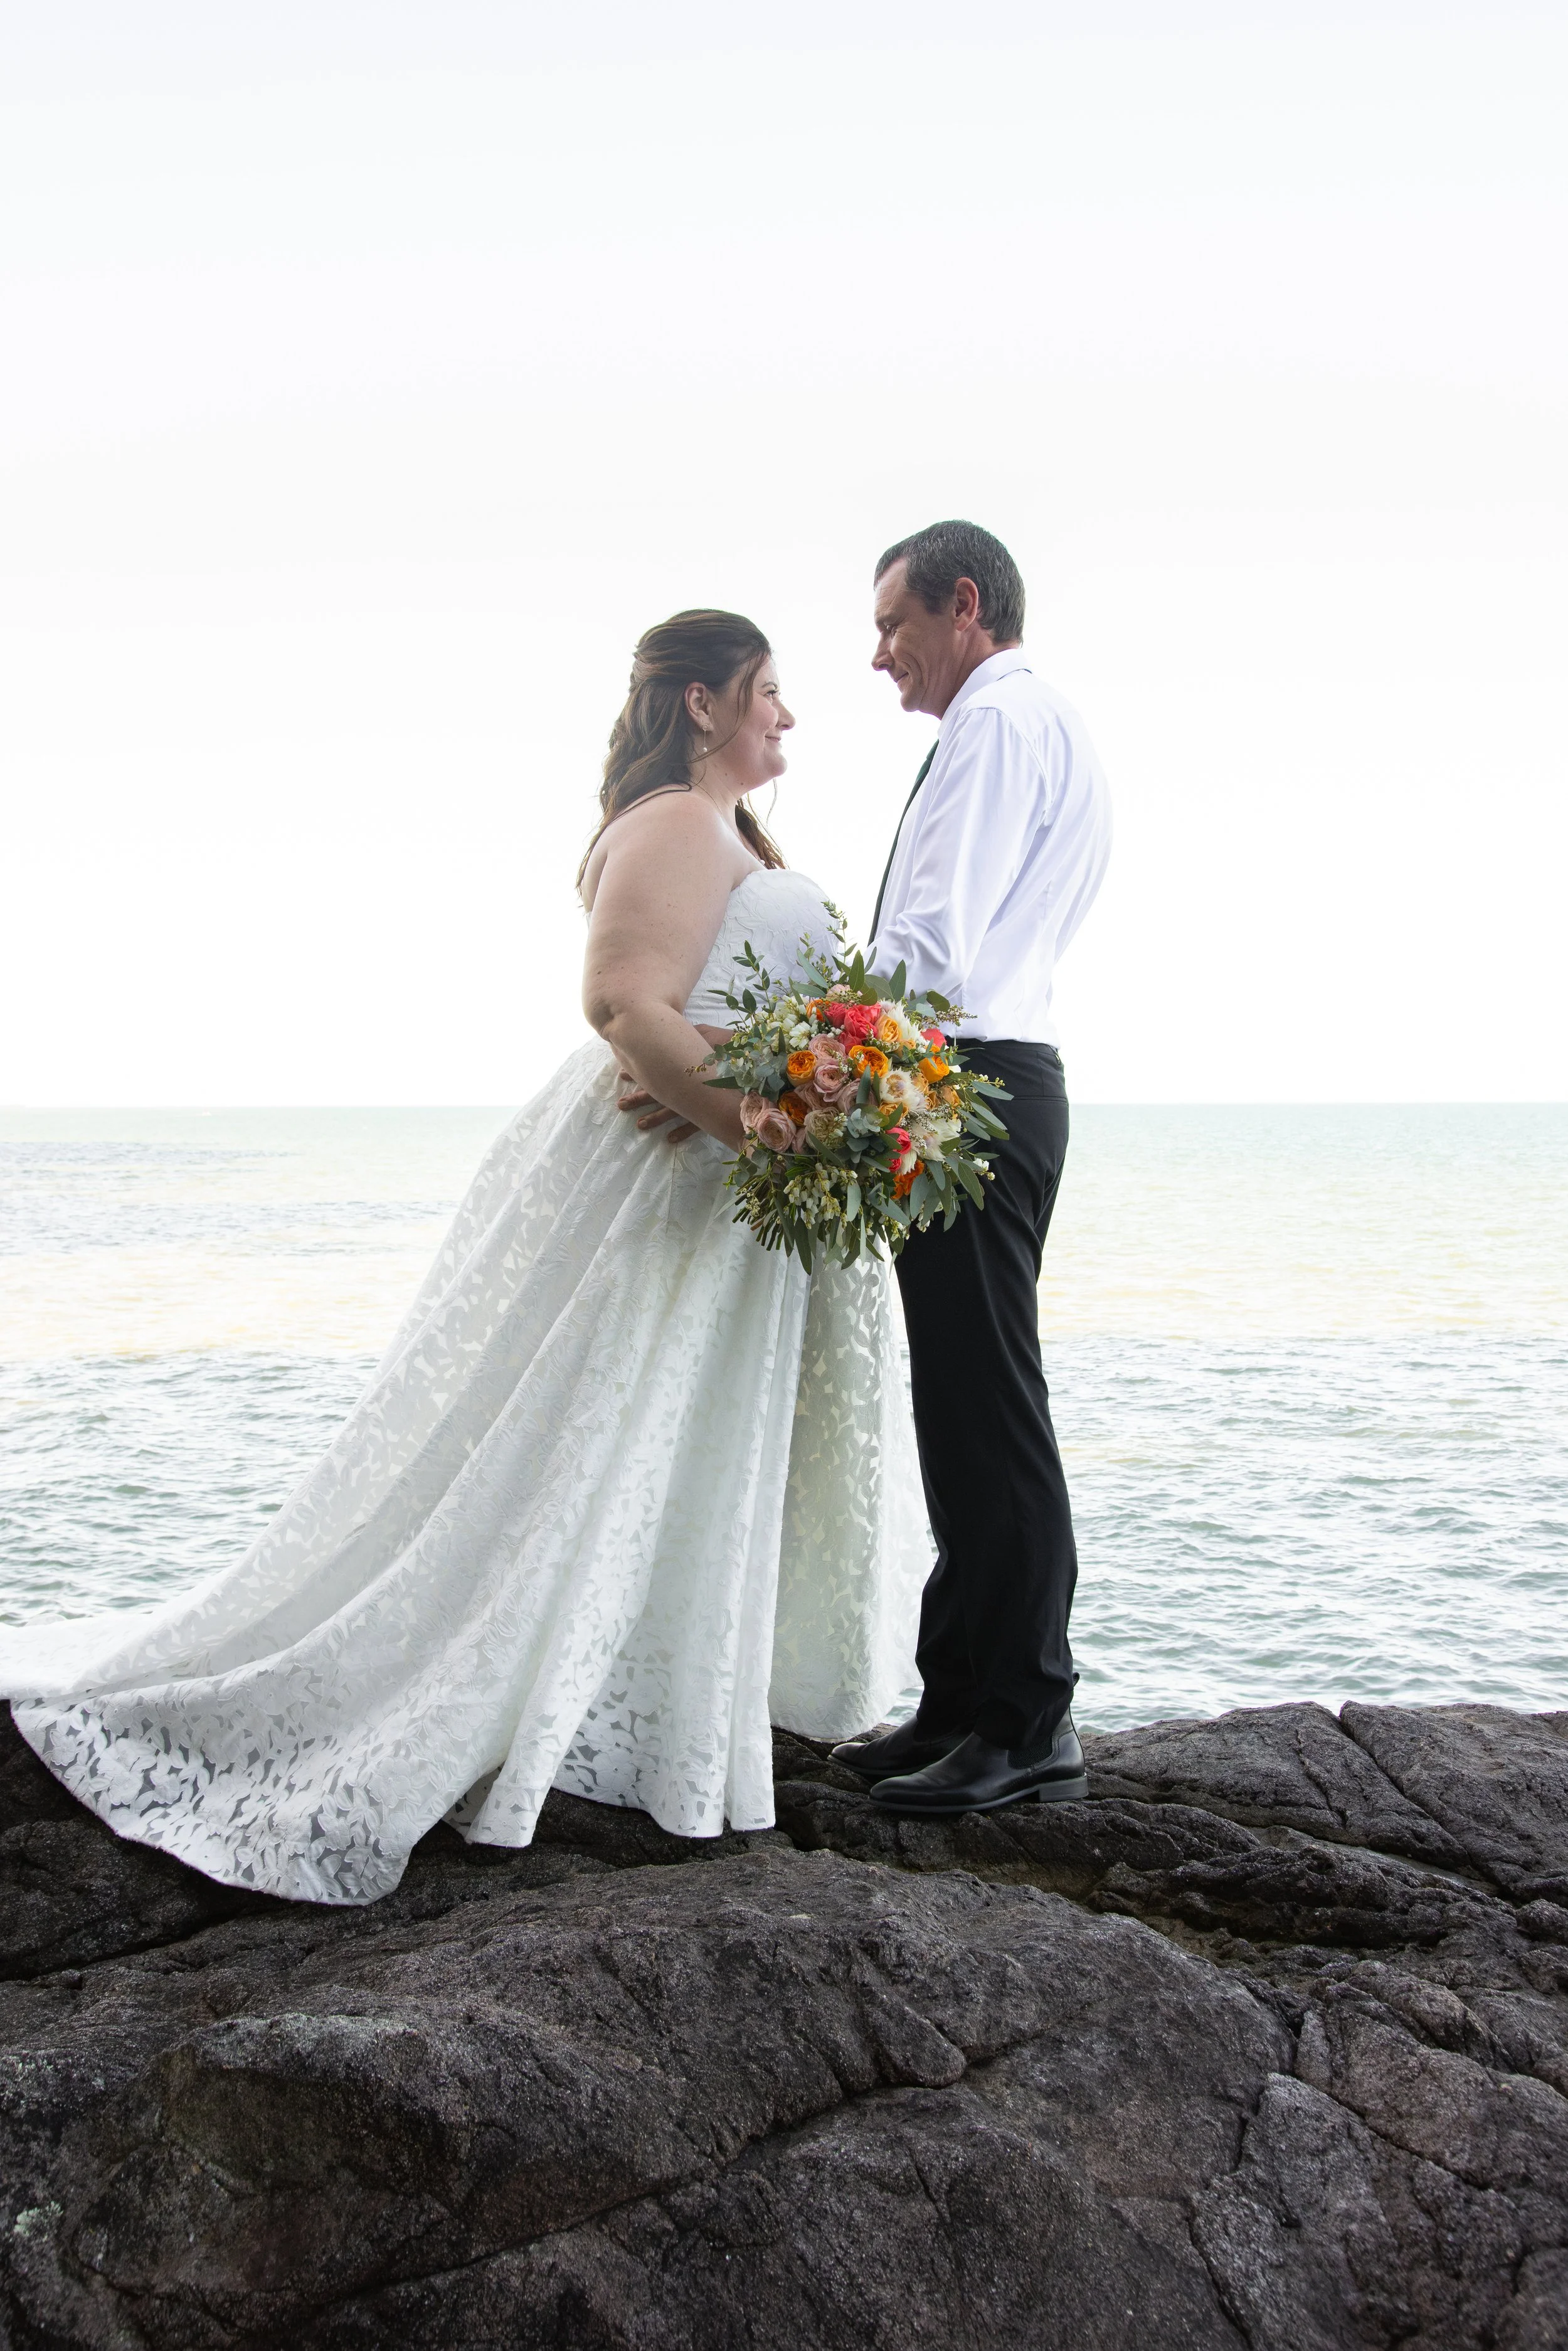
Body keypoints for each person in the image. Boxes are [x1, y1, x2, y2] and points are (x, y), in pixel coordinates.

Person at [2, 610, 928, 1904]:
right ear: (704, 702)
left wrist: (816, 1111)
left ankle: (644, 1687)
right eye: (769, 691)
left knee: (667, 1439)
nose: (788, 715)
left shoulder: (724, 836)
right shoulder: (668, 821)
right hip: (682, 1171)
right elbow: (622, 1007)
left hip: (732, 1179)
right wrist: (767, 1124)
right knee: (584, 1432)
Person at [831, 521, 1112, 1815]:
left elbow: (934, 941)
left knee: (987, 1398)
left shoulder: (997, 726)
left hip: (967, 1081)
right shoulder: (1022, 725)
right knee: (958, 1397)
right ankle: (958, 1696)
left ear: (963, 602)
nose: (878, 653)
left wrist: (842, 1065)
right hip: (974, 1079)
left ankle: (1023, 1713)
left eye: (894, 624)